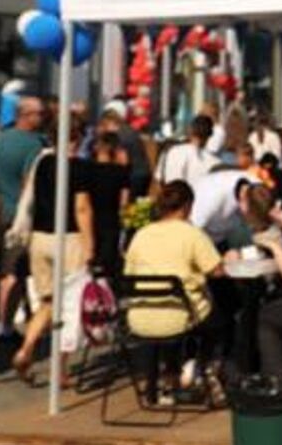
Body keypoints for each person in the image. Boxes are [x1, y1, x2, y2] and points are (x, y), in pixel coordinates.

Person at [122, 181, 222, 400]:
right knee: (217, 318)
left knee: (170, 316)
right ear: (187, 206)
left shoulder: (141, 235)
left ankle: (165, 378)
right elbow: (216, 271)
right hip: (180, 317)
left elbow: (129, 274)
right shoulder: (192, 234)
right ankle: (198, 368)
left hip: (140, 317)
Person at [14, 123, 93, 383]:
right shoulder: (78, 167)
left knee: (48, 302)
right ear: (76, 139)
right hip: (68, 239)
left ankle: (26, 348)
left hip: (40, 238)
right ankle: (60, 369)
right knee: (70, 305)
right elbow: (81, 208)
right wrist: (89, 244)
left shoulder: (42, 164)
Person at [0, 95, 46, 352]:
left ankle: (9, 323)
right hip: (21, 216)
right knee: (13, 272)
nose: (43, 118)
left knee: (6, 270)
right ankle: (5, 328)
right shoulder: (35, 144)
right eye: (39, 113)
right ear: (26, 115)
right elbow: (29, 182)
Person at [230, 184, 282, 376]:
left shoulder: (269, 236)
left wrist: (273, 246)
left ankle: (276, 378)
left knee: (264, 318)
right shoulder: (277, 232)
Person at [85, 126, 133, 276]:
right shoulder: (120, 172)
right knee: (108, 266)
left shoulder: (86, 170)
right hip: (111, 221)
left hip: (90, 219)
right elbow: (124, 202)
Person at [187, 165, 252, 250]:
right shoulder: (210, 199)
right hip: (200, 242)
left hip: (222, 240)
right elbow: (190, 236)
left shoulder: (248, 190)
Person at [154, 116, 217, 189]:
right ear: (209, 135)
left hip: (169, 194)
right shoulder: (212, 161)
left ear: (190, 130)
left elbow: (158, 180)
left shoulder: (169, 150)